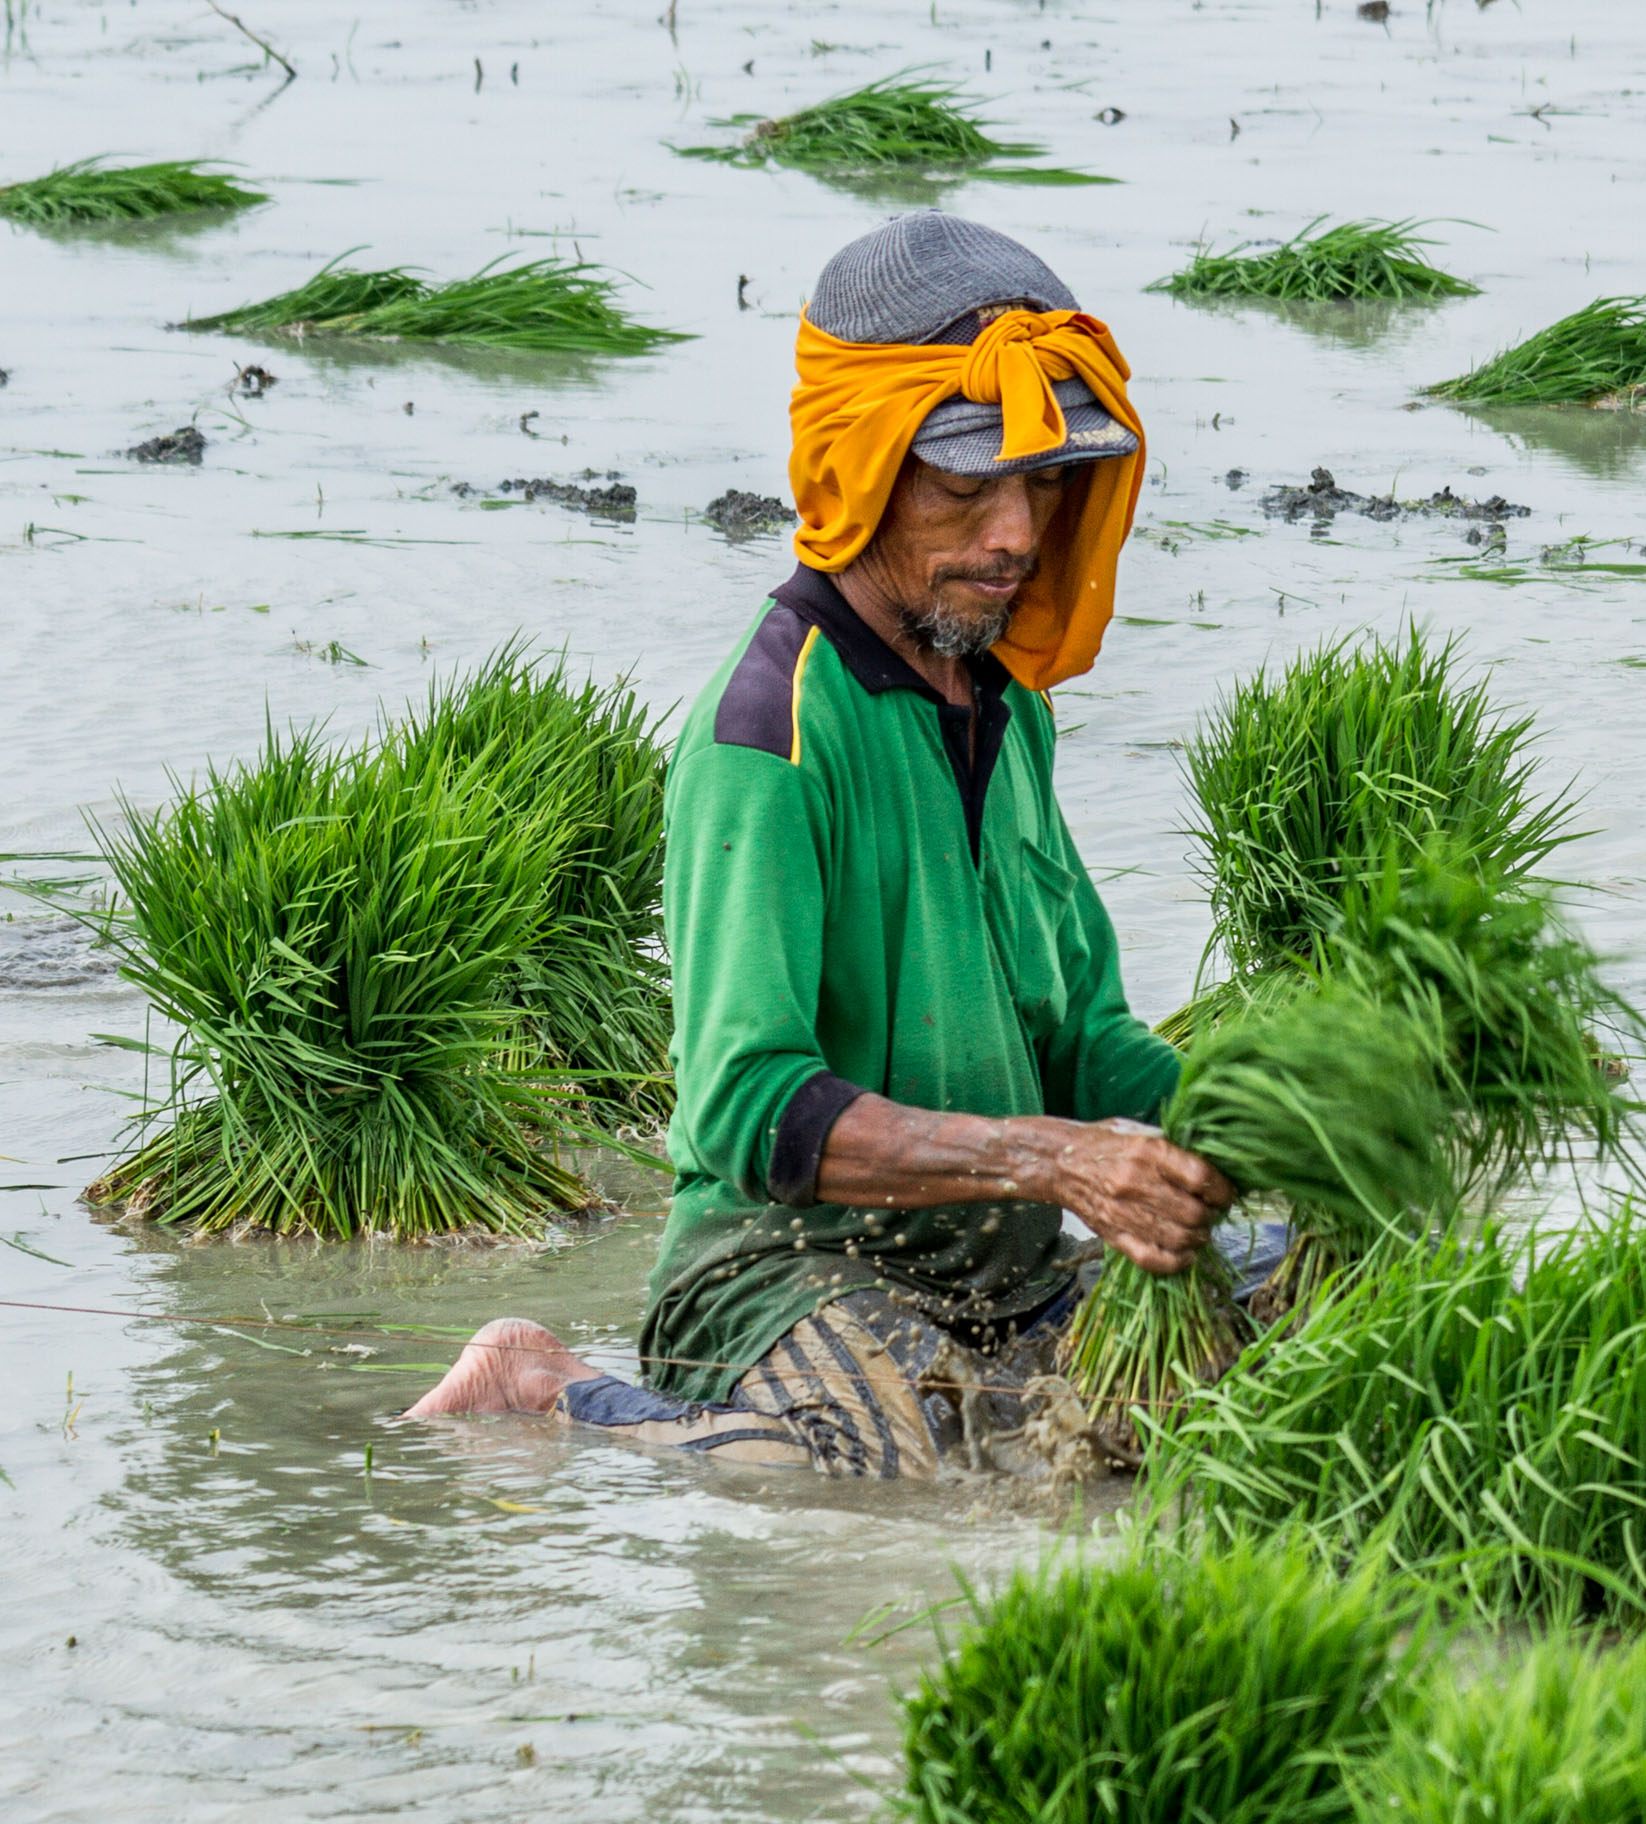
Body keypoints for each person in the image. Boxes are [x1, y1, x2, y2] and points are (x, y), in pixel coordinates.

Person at [408, 214, 1228, 1476]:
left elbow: (1079, 1041)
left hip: (1005, 1272)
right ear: (858, 474)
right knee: (865, 1477)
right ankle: (553, 1385)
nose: (1014, 534)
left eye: (1043, 482)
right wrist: (1055, 1158)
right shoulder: (768, 736)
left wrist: (1259, 1108)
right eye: (964, 486)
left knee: (1316, 1329)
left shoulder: (1007, 707)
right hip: (782, 1270)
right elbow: (747, 1107)